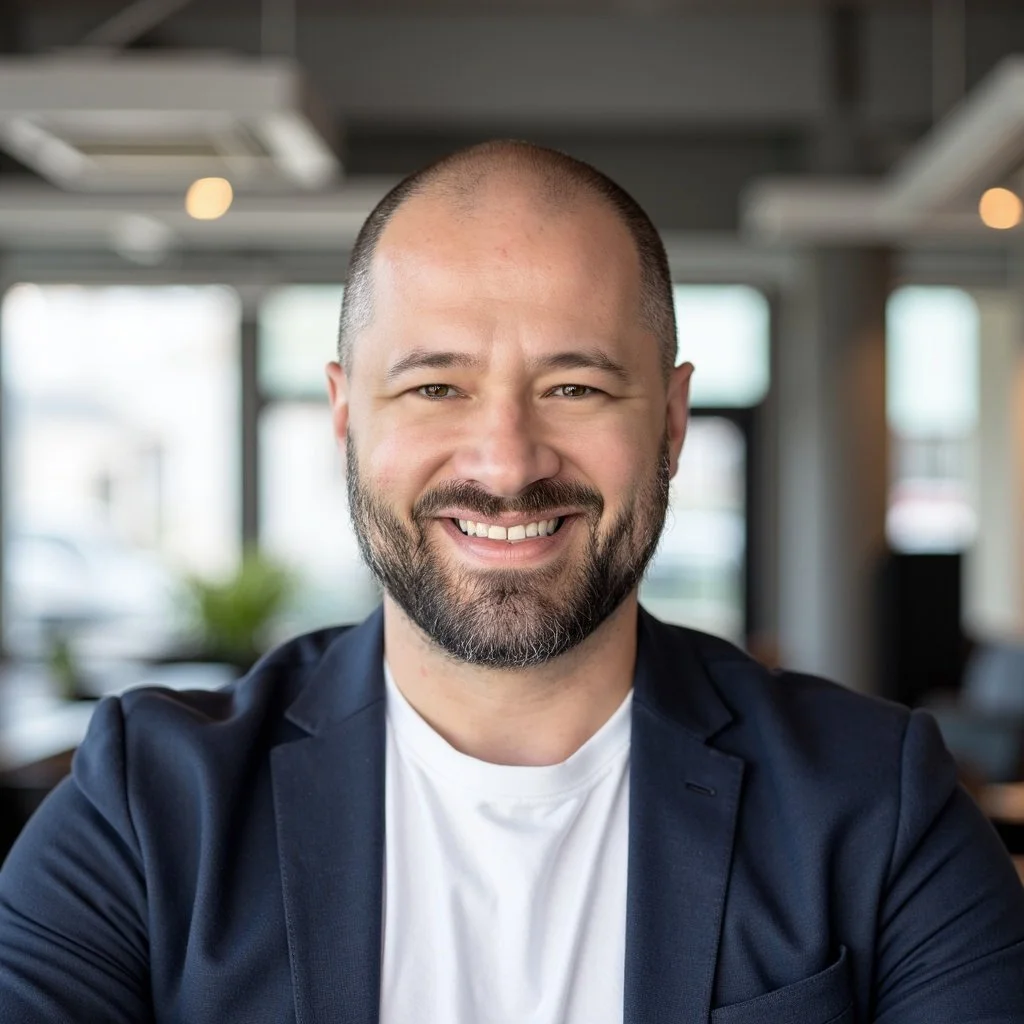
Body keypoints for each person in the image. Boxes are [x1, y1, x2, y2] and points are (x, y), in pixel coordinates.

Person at [0, 140, 1022, 1024]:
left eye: (573, 385)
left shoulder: (874, 804)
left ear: (670, 422)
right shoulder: (148, 805)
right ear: (347, 414)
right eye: (435, 385)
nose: (504, 461)